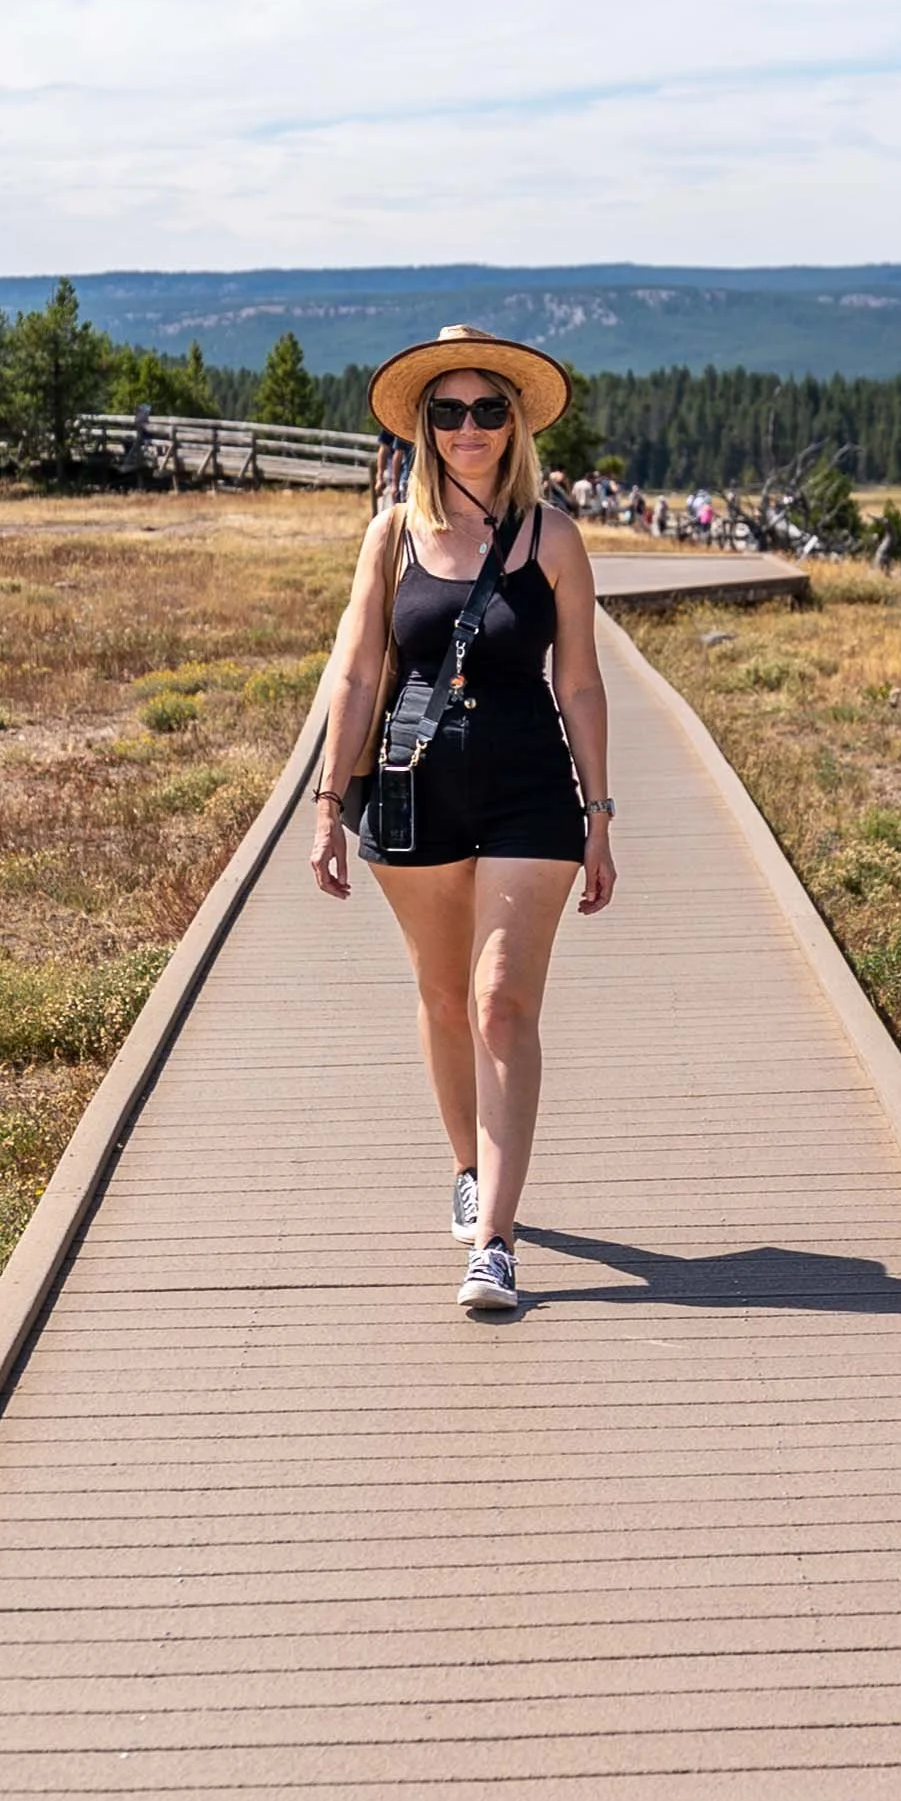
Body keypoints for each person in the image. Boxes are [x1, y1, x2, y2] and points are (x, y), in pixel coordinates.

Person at [311, 327, 616, 1317]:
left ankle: (495, 1243)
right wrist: (325, 805)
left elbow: (579, 681)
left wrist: (600, 815)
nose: (470, 427)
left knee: (498, 1003)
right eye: (450, 411)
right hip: (414, 790)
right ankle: (468, 1168)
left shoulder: (554, 537)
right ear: (425, 428)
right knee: (443, 998)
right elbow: (358, 673)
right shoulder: (389, 539)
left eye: (490, 409)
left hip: (532, 791)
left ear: (515, 423)